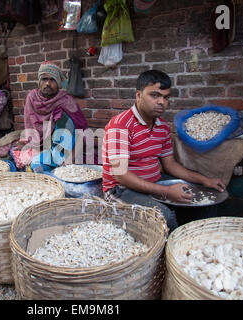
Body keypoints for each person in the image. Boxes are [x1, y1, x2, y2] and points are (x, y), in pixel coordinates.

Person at [102, 69, 226, 231]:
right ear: (138, 95)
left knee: (205, 202)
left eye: (166, 97)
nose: (162, 102)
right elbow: (121, 175)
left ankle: (191, 242)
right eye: (154, 95)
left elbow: (170, 165)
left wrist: (204, 180)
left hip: (154, 183)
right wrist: (166, 191)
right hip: (120, 190)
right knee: (164, 218)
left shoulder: (162, 127)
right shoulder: (120, 125)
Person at [13, 61, 88, 172]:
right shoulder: (32, 98)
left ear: (58, 83)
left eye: (52, 80)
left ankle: (60, 162)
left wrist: (68, 160)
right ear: (39, 82)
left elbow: (79, 132)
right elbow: (29, 126)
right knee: (36, 166)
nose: (47, 83)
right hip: (42, 146)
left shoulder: (66, 100)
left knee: (62, 116)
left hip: (63, 148)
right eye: (44, 79)